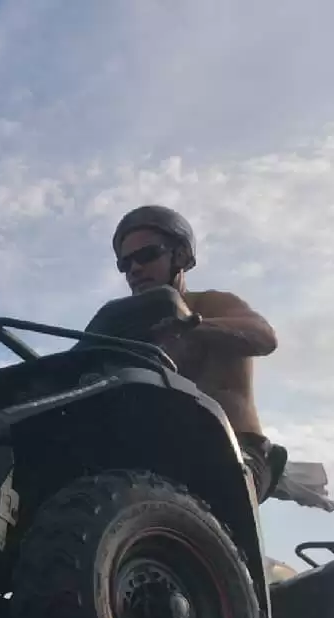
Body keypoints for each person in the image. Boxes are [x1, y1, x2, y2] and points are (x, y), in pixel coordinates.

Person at [110, 205, 282, 501]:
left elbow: (264, 337)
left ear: (180, 257)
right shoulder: (130, 329)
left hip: (235, 450)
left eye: (147, 255)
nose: (134, 269)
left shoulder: (210, 304)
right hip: (160, 458)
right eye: (125, 264)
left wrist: (191, 327)